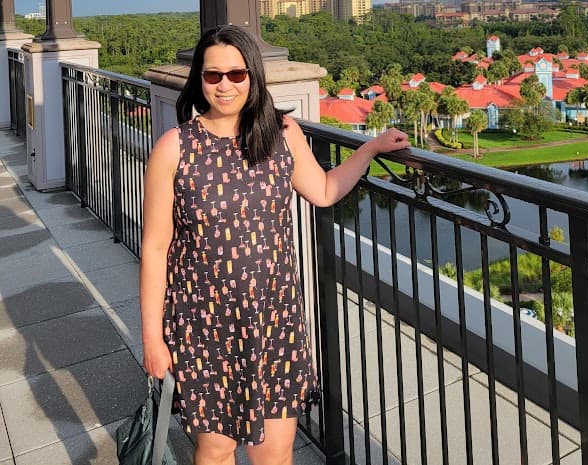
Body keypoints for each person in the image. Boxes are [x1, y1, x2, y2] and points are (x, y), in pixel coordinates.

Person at [140, 25, 410, 465]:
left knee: (276, 453)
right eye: (212, 76)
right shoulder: (175, 148)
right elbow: (155, 248)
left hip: (274, 322)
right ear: (199, 80)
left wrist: (370, 149)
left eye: (236, 74)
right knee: (215, 450)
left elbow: (323, 190)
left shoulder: (281, 133)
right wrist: (153, 336)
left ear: (253, 76)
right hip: (202, 326)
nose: (225, 85)